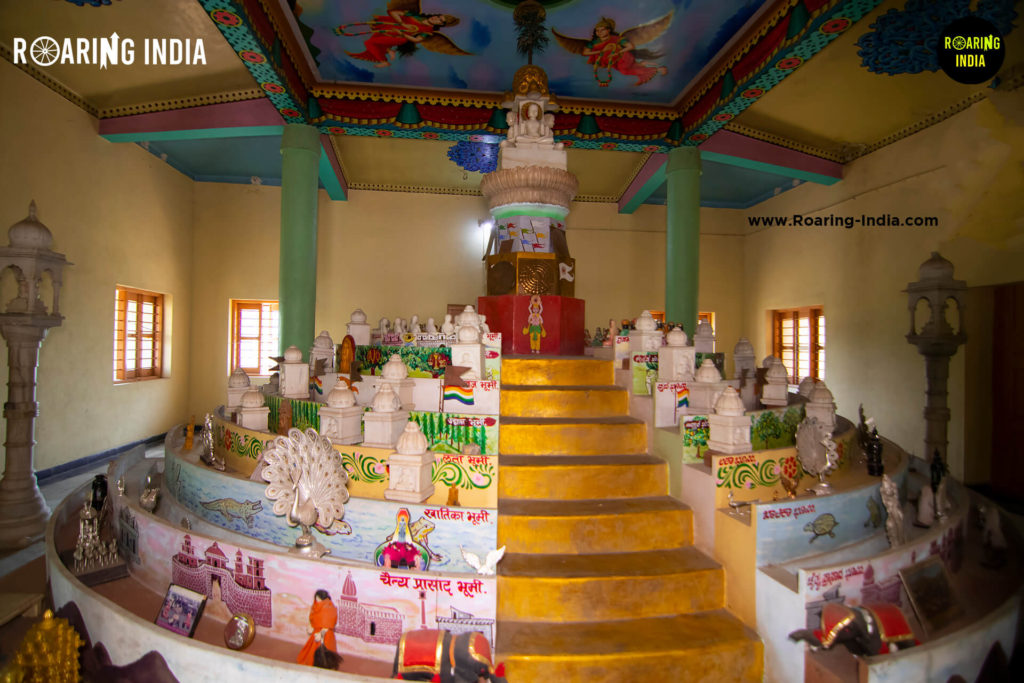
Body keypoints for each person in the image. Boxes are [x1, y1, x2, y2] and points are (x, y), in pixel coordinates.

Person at [296, 589, 340, 668]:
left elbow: (329, 624)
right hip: (316, 633)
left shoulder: (329, 609)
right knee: (312, 651)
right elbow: (313, 617)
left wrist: (321, 634)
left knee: (324, 652)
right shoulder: (315, 606)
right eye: (316, 598)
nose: (317, 600)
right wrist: (311, 626)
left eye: (318, 599)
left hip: (325, 635)